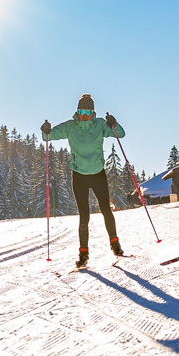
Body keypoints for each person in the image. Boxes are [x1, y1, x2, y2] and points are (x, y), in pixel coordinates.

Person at [41, 95, 126, 268]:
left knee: (105, 210)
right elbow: (47, 137)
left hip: (98, 174)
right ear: (77, 111)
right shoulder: (70, 126)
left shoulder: (100, 124)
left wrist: (113, 124)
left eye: (87, 112)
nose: (84, 115)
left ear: (93, 112)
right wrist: (46, 129)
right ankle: (83, 254)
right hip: (79, 176)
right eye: (81, 111)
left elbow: (121, 134)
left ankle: (115, 244)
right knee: (84, 216)